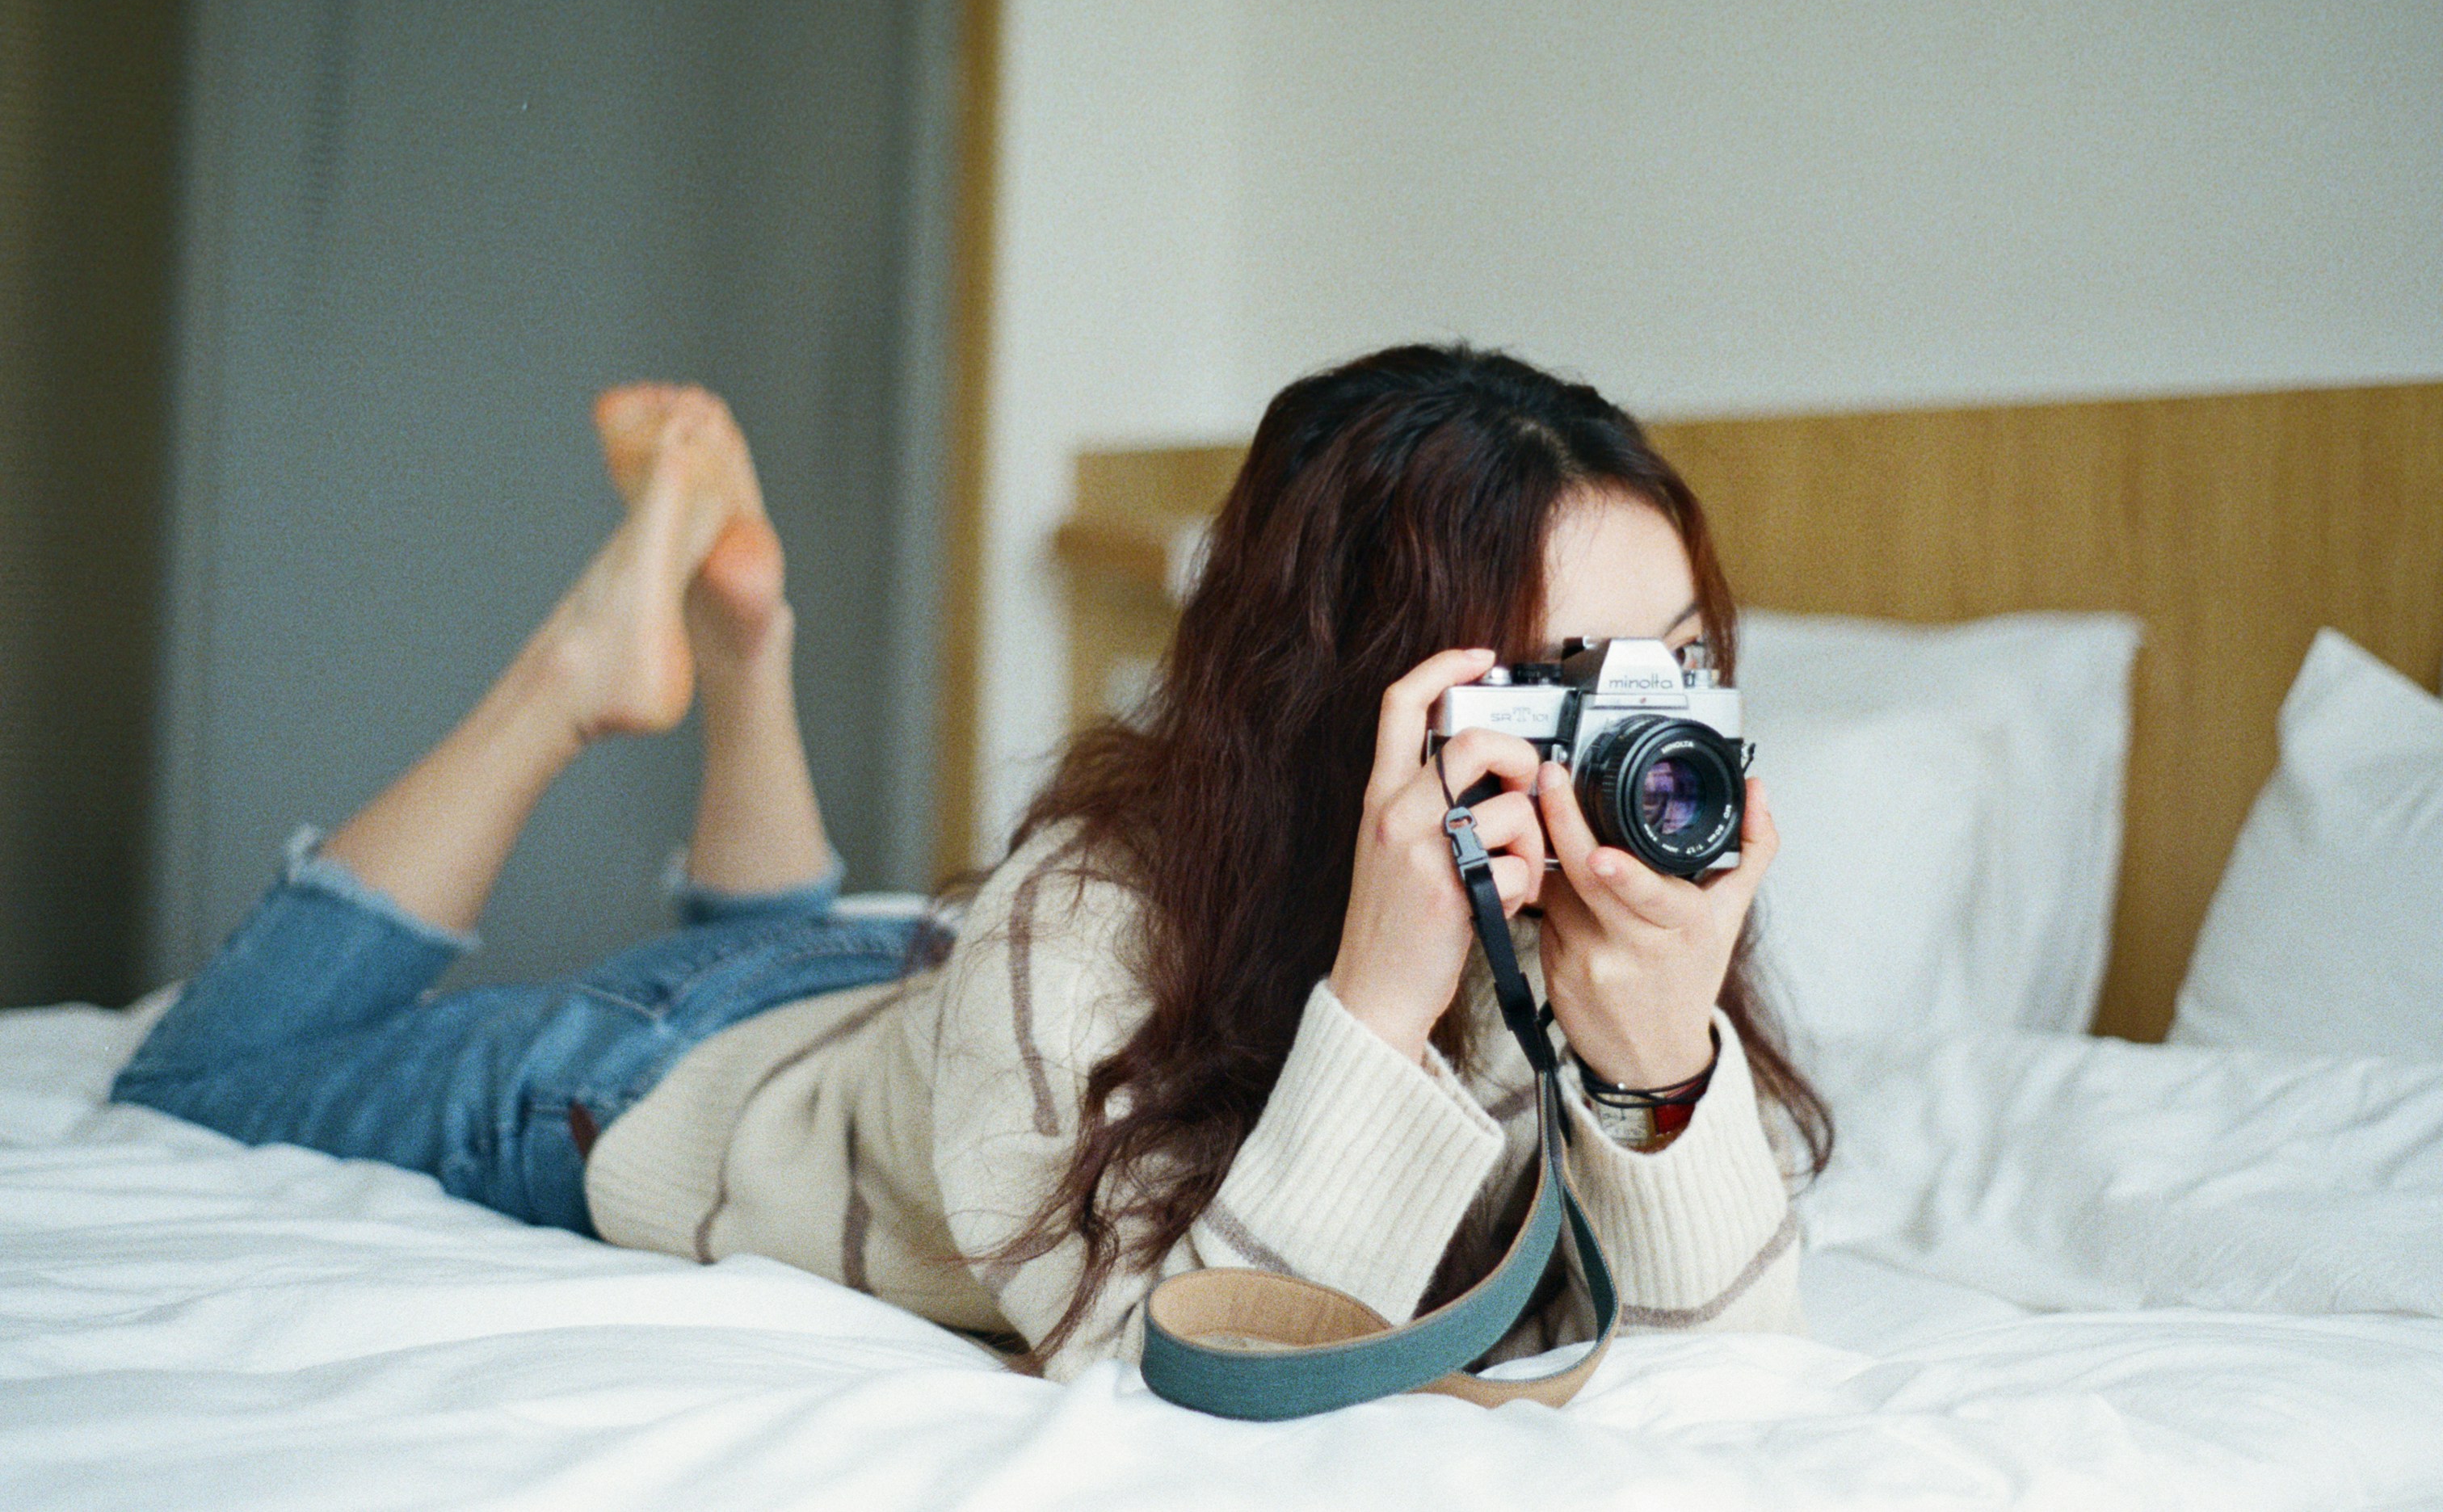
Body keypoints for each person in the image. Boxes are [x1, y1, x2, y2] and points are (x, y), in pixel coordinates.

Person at [113, 346, 1827, 1384]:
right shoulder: (1088, 921)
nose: (1641, 736)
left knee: (878, 1040)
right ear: (1358, 701)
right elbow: (1191, 1371)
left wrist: (1662, 1053)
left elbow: (1721, 1369)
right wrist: (1386, 991)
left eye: (1671, 662)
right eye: (1558, 684)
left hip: (920, 1023)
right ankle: (575, 676)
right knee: (198, 1076)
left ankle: (743, 643)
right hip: (679, 1074)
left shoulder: (1589, 925)